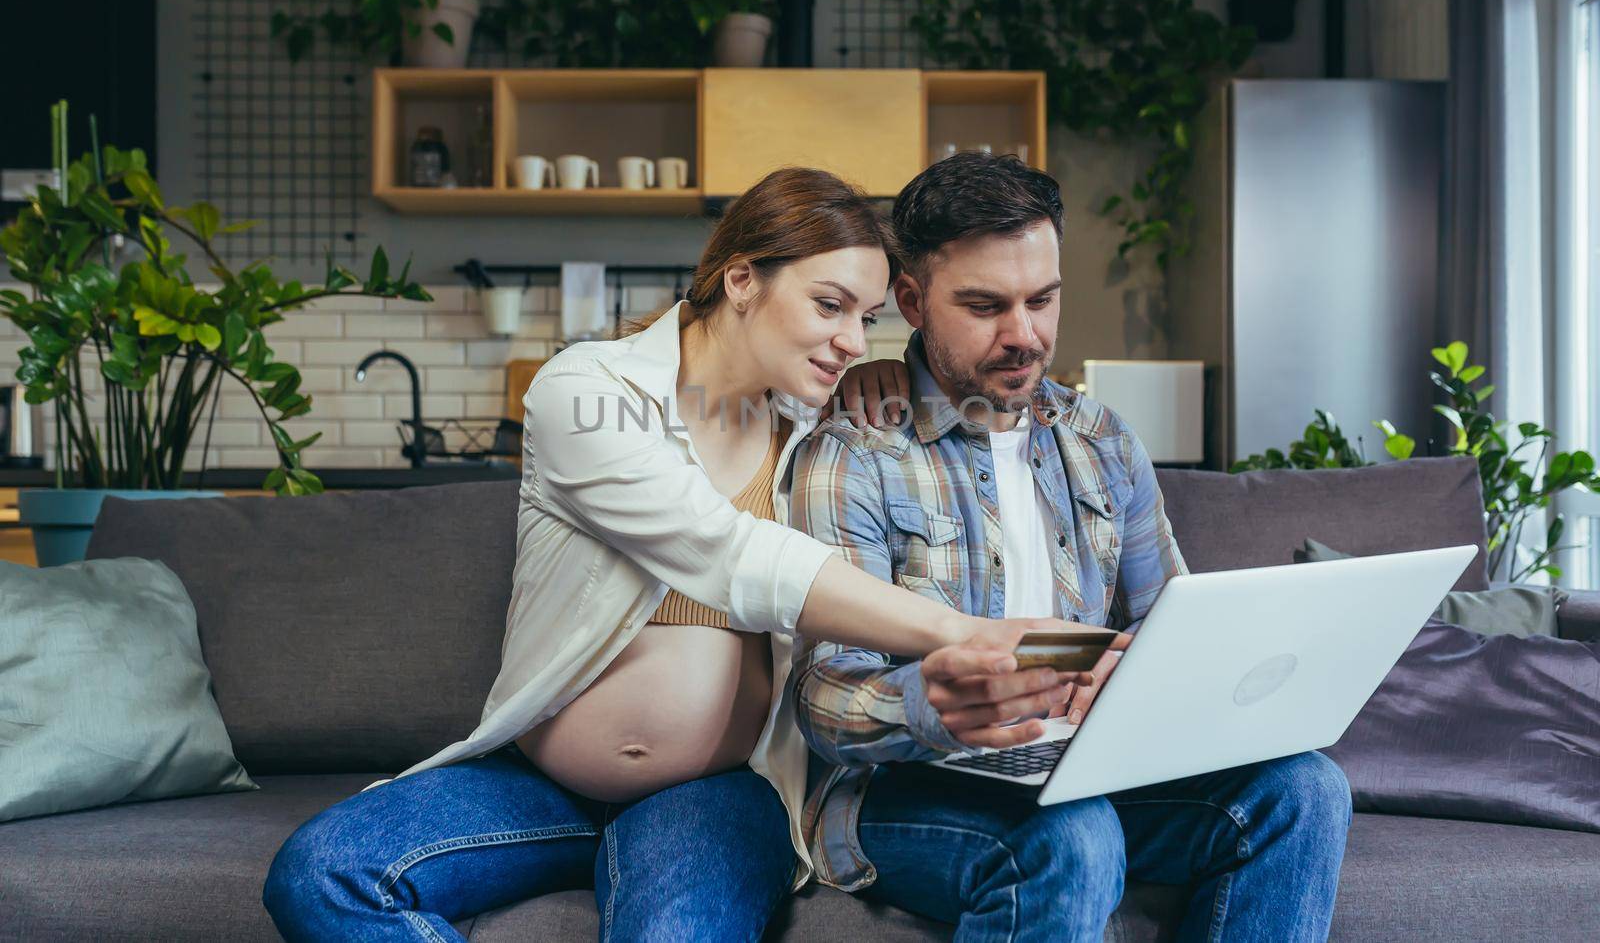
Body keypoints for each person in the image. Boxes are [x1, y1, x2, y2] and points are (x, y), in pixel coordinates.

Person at [262, 167, 1081, 942]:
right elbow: (725, 552)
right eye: (829, 304)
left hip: (718, 792)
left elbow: (966, 399)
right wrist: (957, 631)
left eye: (866, 319)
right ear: (741, 280)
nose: (847, 339)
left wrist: (878, 373)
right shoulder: (586, 392)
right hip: (545, 783)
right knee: (323, 872)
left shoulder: (819, 429)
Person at [789, 152, 1353, 941]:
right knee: (1074, 838)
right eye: (985, 306)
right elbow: (822, 698)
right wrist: (932, 701)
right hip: (904, 788)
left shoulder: (1102, 440)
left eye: (1043, 299)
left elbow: (1177, 627)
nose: (1025, 335)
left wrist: (1149, 673)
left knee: (1306, 789)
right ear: (911, 301)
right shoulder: (856, 450)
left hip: (1079, 764)